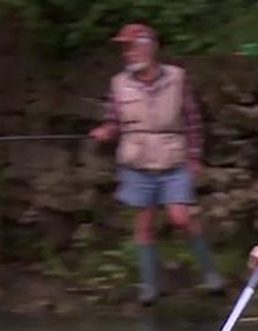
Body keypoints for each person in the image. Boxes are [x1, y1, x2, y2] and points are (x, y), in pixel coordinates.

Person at [89, 23, 224, 306]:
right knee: (144, 223)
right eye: (124, 49)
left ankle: (211, 275)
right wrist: (106, 131)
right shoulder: (118, 83)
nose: (127, 54)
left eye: (130, 47)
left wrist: (194, 156)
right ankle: (149, 288)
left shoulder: (177, 78)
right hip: (136, 162)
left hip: (173, 158)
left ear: (148, 48)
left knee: (180, 218)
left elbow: (192, 120)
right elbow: (114, 121)